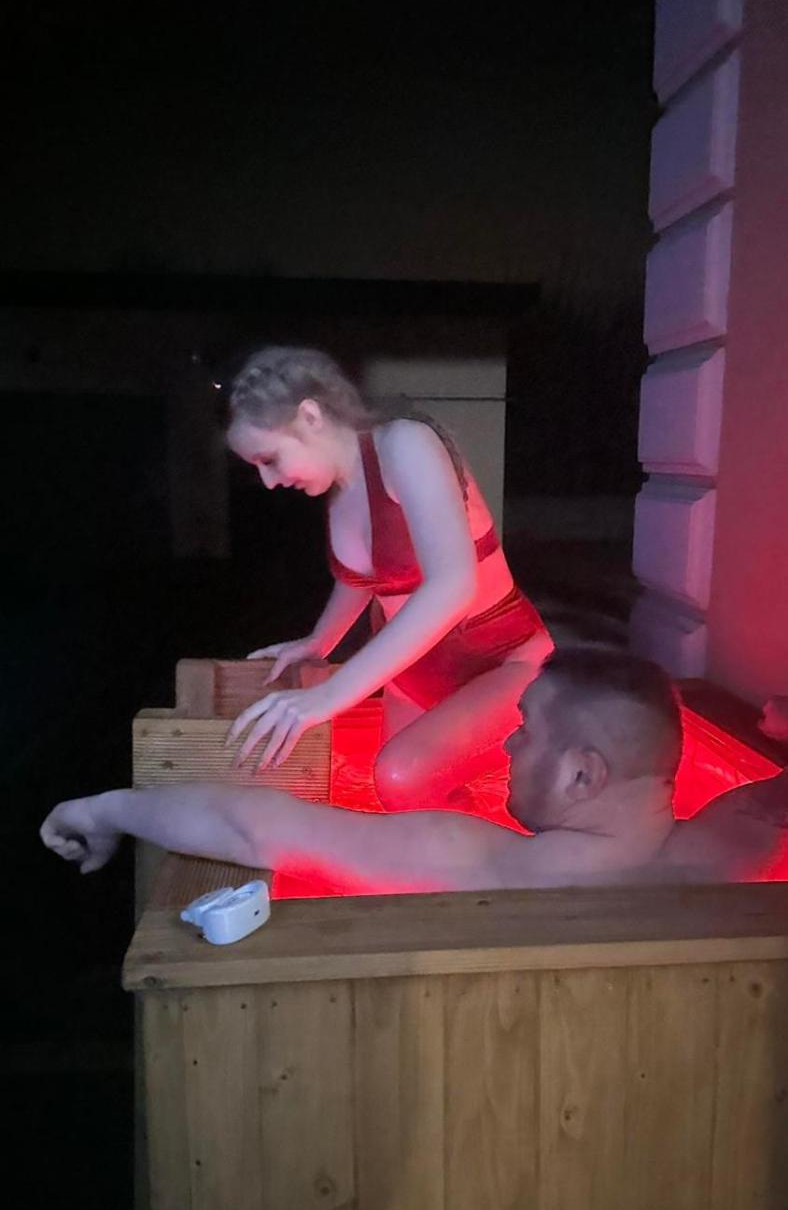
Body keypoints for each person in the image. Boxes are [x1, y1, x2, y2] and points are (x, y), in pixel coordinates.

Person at [40, 650, 788, 889]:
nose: (507, 748)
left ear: (584, 778)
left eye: (525, 732)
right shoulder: (741, 846)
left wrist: (101, 808)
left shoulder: (495, 866)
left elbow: (256, 827)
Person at [221, 346, 553, 811]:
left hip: (501, 662)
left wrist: (330, 696)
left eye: (269, 459)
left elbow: (454, 585)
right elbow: (365, 577)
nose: (268, 482)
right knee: (401, 799)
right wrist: (320, 641)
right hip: (414, 674)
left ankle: (495, 848)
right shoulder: (342, 485)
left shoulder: (405, 444)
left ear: (310, 416)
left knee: (401, 778)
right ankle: (463, 844)